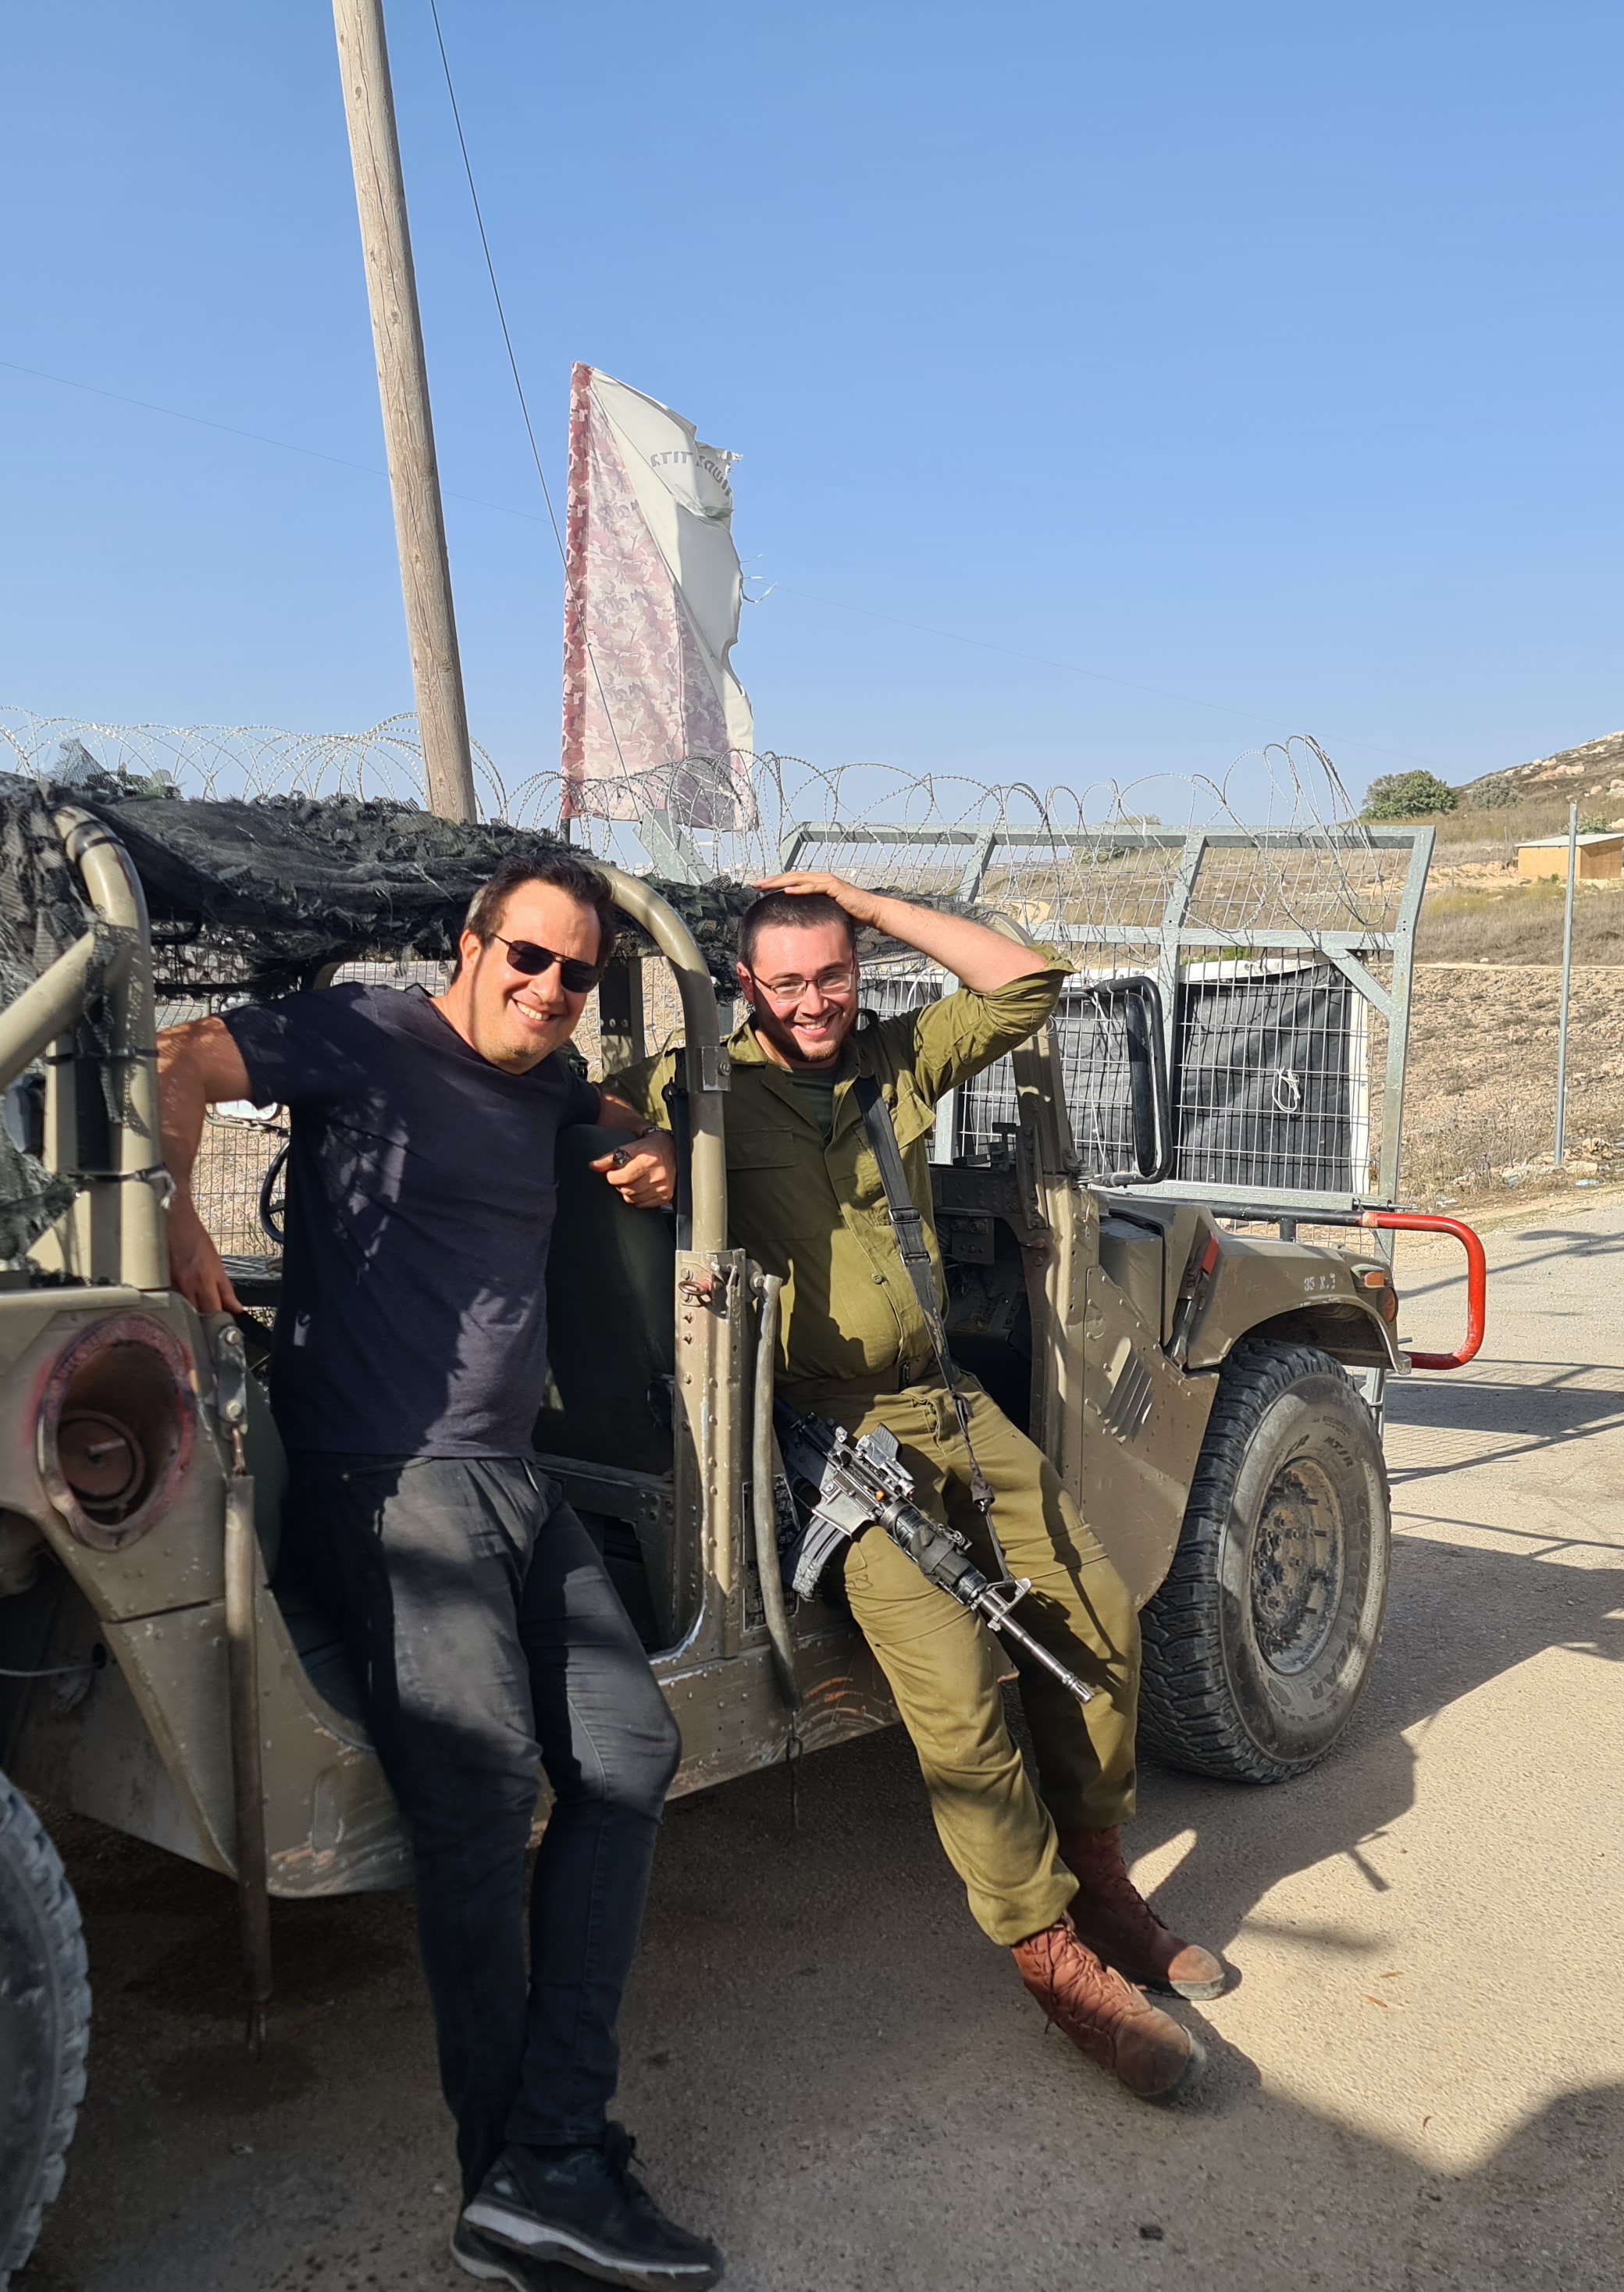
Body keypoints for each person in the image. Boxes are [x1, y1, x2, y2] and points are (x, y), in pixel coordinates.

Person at [157, 850, 724, 2292]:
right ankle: (530, 2170)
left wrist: (653, 1142)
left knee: (629, 1752)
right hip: (386, 1476)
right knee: (478, 1797)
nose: (548, 987)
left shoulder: (547, 1083)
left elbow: (607, 1113)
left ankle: (547, 2154)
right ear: (469, 947)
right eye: (527, 956)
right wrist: (170, 1212)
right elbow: (183, 1058)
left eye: (576, 972)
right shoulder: (368, 1032)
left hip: (514, 1479)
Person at [610, 872, 1222, 2104]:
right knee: (950, 1678)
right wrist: (644, 1148)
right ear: (746, 986)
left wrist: (868, 904)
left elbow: (1028, 982)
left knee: (1097, 1610)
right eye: (787, 982)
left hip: (947, 1399)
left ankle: (1101, 1880)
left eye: (833, 976)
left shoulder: (897, 1061)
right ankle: (1048, 1950)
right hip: (823, 1434)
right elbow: (578, 1109)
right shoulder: (701, 1083)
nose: (813, 1003)